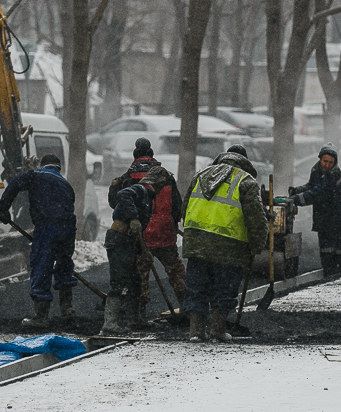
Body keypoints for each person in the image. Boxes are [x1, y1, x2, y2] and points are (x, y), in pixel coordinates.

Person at [182, 149, 268, 342]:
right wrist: (257, 245)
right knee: (224, 288)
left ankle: (195, 331)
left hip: (197, 243)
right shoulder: (245, 181)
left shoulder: (201, 175)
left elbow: (185, 206)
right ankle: (218, 331)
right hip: (229, 246)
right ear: (245, 162)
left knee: (197, 287)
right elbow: (256, 219)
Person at [108, 137, 185, 326]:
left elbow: (115, 203)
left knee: (140, 276)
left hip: (140, 236)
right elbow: (177, 207)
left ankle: (139, 315)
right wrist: (172, 223)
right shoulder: (165, 176)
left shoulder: (126, 178)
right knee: (175, 271)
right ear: (152, 155)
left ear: (135, 155)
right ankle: (189, 308)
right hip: (165, 233)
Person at [0, 153, 77, 329]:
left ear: (42, 165)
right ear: (59, 168)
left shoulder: (35, 175)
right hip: (68, 229)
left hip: (48, 227)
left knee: (42, 266)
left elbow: (15, 183)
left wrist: (3, 208)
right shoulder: (66, 184)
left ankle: (41, 316)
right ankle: (67, 307)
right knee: (64, 264)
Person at [98, 167, 166, 336]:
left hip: (128, 240)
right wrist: (134, 217)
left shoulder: (148, 197)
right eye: (162, 184)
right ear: (157, 182)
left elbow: (137, 231)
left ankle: (133, 320)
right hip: (119, 238)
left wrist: (143, 251)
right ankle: (110, 323)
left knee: (135, 282)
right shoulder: (141, 189)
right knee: (119, 281)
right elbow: (123, 194)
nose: (163, 187)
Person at [290, 142, 341, 276]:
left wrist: (295, 200)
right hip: (324, 214)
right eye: (325, 161)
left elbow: (318, 193)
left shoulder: (334, 173)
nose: (327, 165)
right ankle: (329, 272)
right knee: (326, 248)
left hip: (340, 215)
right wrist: (297, 190)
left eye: (331, 162)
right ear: (320, 159)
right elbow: (312, 186)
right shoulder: (316, 170)